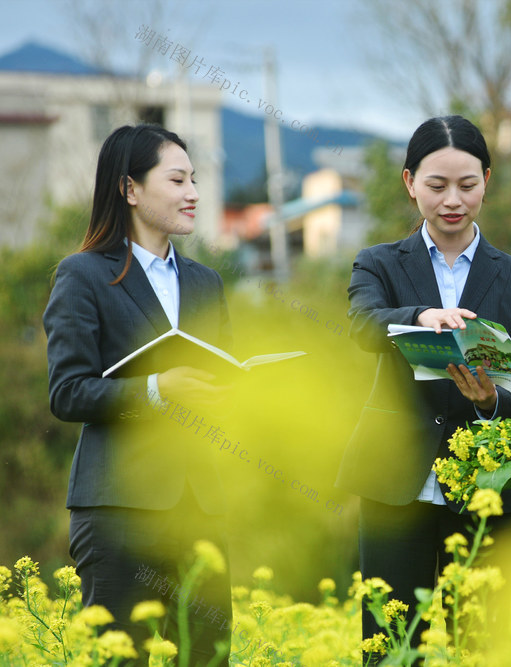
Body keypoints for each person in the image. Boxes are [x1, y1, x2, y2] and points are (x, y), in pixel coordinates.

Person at [338, 115, 511, 648]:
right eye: (436, 186)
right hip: (394, 483)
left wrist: (488, 401)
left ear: (487, 181)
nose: (452, 199)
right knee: (389, 641)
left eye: (467, 185)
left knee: (481, 643)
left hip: (485, 486)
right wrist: (420, 316)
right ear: (410, 184)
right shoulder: (378, 264)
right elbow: (363, 324)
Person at [43, 124, 233, 663]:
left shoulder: (206, 283)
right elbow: (68, 392)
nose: (193, 192)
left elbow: (222, 382)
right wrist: (155, 390)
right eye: (177, 179)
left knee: (207, 655)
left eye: (194, 179)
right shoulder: (81, 276)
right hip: (118, 510)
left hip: (201, 507)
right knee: (120, 657)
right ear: (130, 189)